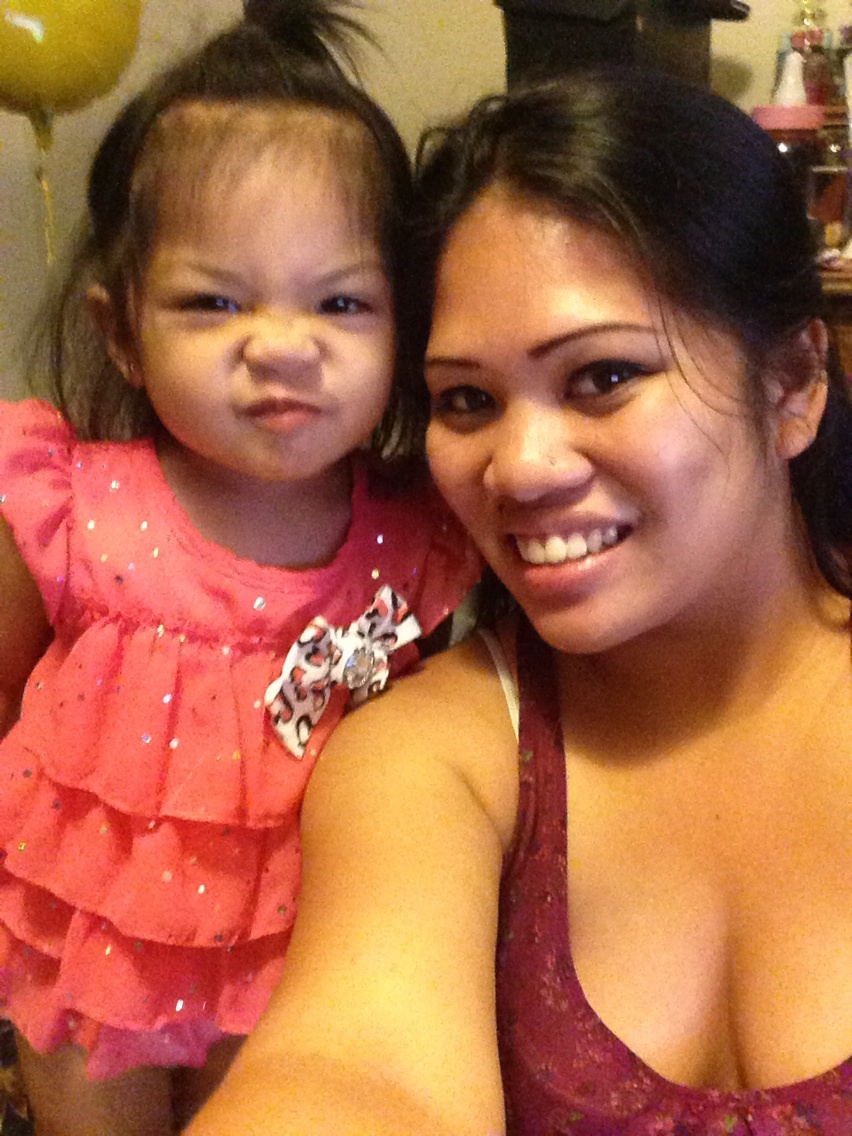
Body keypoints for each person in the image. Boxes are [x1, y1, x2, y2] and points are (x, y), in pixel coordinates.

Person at [185, 65, 852, 1136]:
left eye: (603, 376)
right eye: (467, 399)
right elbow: (354, 1069)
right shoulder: (436, 754)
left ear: (792, 383)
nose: (521, 467)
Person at [0, 1, 480, 1132]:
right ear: (122, 332)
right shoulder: (67, 507)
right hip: (89, 942)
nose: (282, 345)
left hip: (299, 952)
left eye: (341, 301)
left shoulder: (419, 539)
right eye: (214, 301)